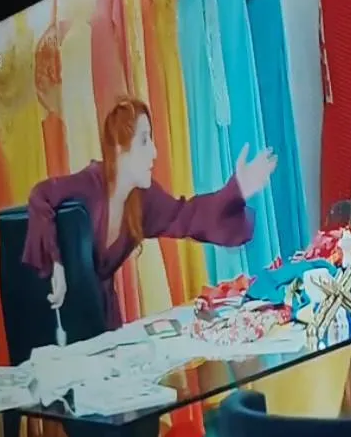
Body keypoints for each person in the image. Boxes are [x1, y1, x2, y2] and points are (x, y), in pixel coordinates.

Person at [22, 96, 277, 329]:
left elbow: (188, 216)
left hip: (102, 321)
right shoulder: (89, 184)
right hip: (57, 317)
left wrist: (236, 190)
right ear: (119, 147)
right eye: (144, 141)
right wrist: (55, 263)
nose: (154, 153)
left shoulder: (143, 199)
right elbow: (40, 195)